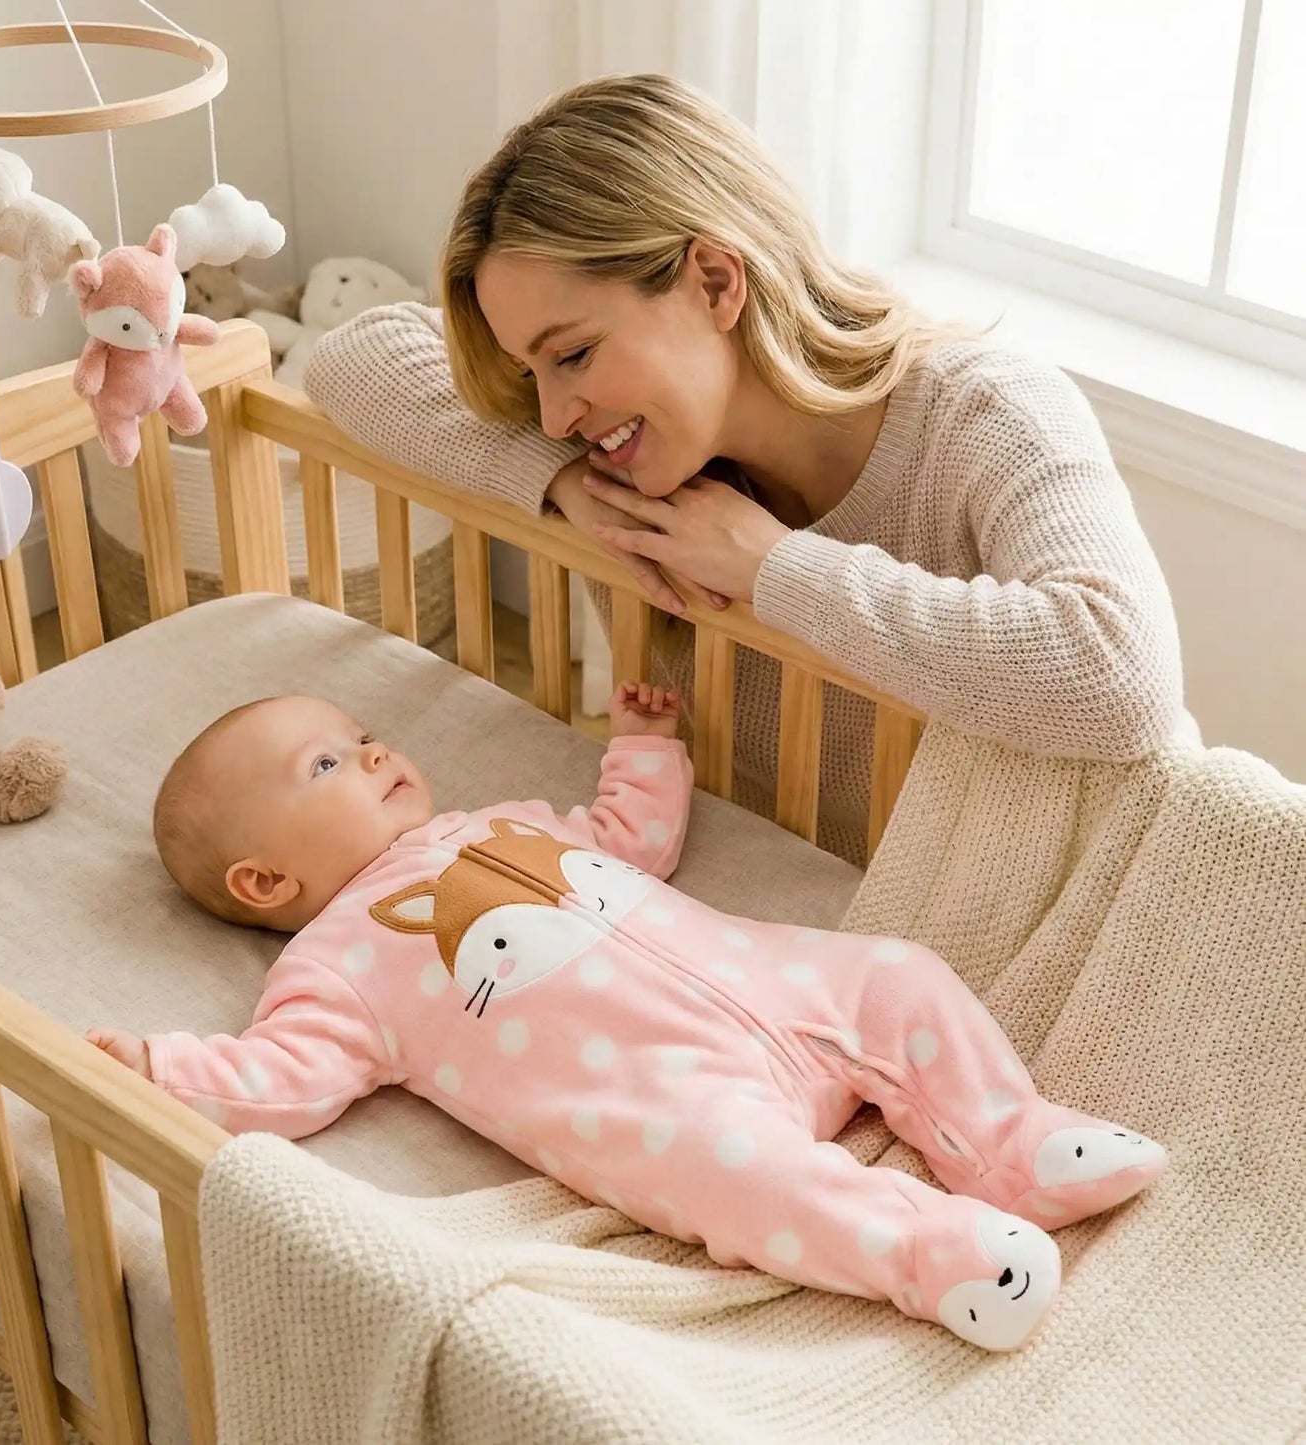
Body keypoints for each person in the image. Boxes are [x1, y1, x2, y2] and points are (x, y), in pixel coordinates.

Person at [87, 689, 1168, 1352]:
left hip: (767, 975)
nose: (370, 752)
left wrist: (643, 744)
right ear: (267, 878)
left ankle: (1011, 1142)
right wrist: (151, 1066)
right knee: (748, 1182)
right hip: (668, 1100)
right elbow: (281, 1075)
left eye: (359, 733)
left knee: (898, 973)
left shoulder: (496, 819)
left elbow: (626, 839)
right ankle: (934, 1252)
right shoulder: (338, 961)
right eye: (323, 763)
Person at [302, 73, 1186, 866]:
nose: (553, 416)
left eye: (571, 355)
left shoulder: (986, 413)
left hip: (1089, 901)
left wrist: (772, 570)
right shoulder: (619, 459)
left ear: (716, 282)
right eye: (531, 372)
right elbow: (353, 357)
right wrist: (568, 485)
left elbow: (1120, 677)